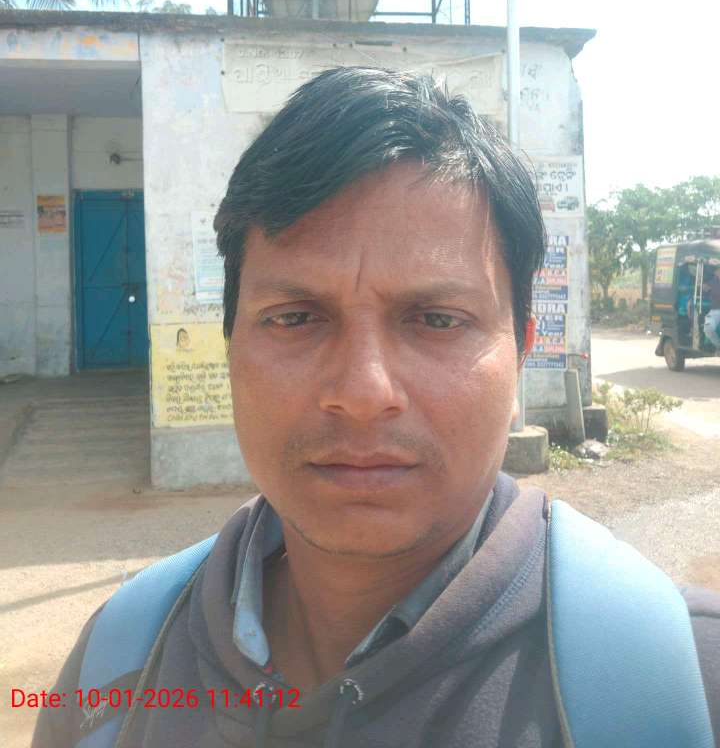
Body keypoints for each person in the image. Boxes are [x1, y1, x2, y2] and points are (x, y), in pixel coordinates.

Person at [32, 68, 720, 747]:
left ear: (521, 352)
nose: (363, 394)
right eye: (296, 317)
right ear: (231, 343)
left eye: (438, 320)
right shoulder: (119, 665)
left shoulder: (676, 684)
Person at [703, 268, 720, 349]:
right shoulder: (711, 283)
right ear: (715, 272)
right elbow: (703, 290)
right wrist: (704, 288)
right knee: (708, 328)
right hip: (715, 311)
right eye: (718, 270)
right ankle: (718, 346)